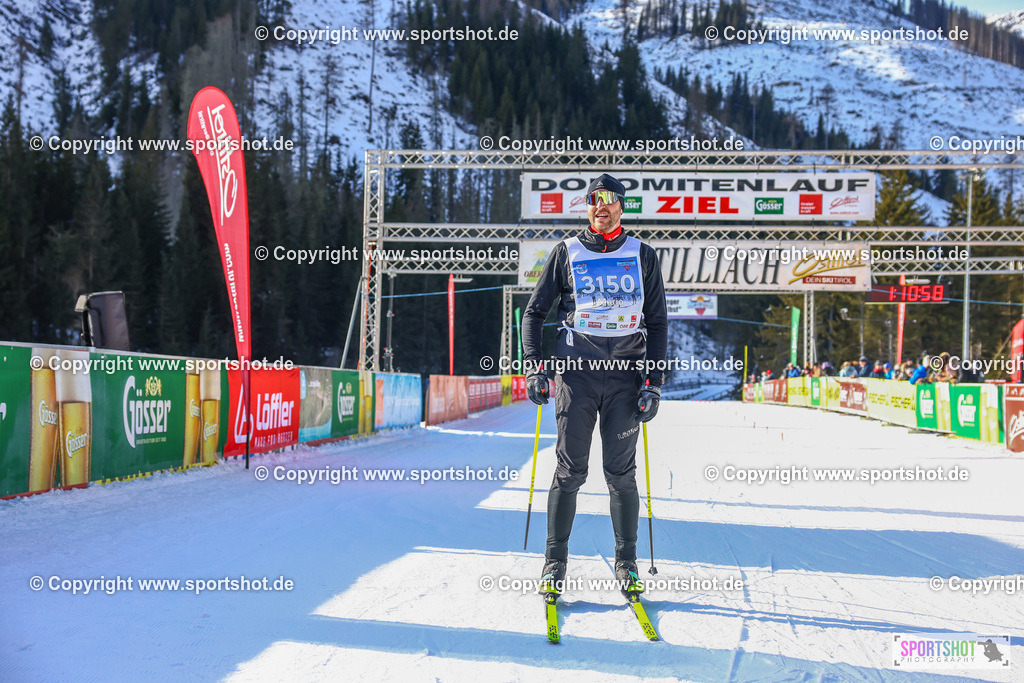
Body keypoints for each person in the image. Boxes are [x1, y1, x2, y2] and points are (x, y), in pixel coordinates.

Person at [522, 173, 668, 600]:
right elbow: (534, 313)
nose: (599, 206)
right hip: (577, 377)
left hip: (625, 378)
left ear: (621, 206)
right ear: (586, 206)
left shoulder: (642, 254)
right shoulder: (565, 251)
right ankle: (554, 564)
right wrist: (534, 368)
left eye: (608, 199)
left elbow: (658, 321)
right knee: (570, 472)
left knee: (621, 475)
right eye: (592, 200)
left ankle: (627, 564)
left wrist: (654, 382)